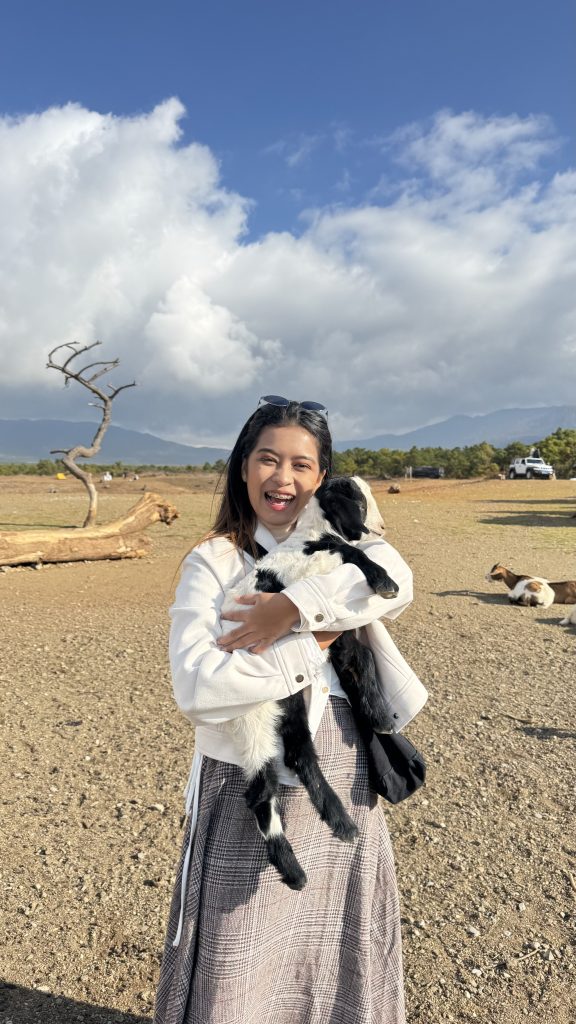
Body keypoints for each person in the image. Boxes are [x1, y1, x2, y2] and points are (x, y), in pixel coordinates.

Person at [154, 396, 428, 1024]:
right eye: (267, 460)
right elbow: (195, 686)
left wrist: (292, 608)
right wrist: (315, 640)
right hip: (250, 772)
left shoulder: (340, 543)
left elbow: (397, 579)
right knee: (238, 939)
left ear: (321, 476)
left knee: (331, 929)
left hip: (344, 762)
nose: (283, 479)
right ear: (242, 468)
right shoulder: (214, 561)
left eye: (302, 465)